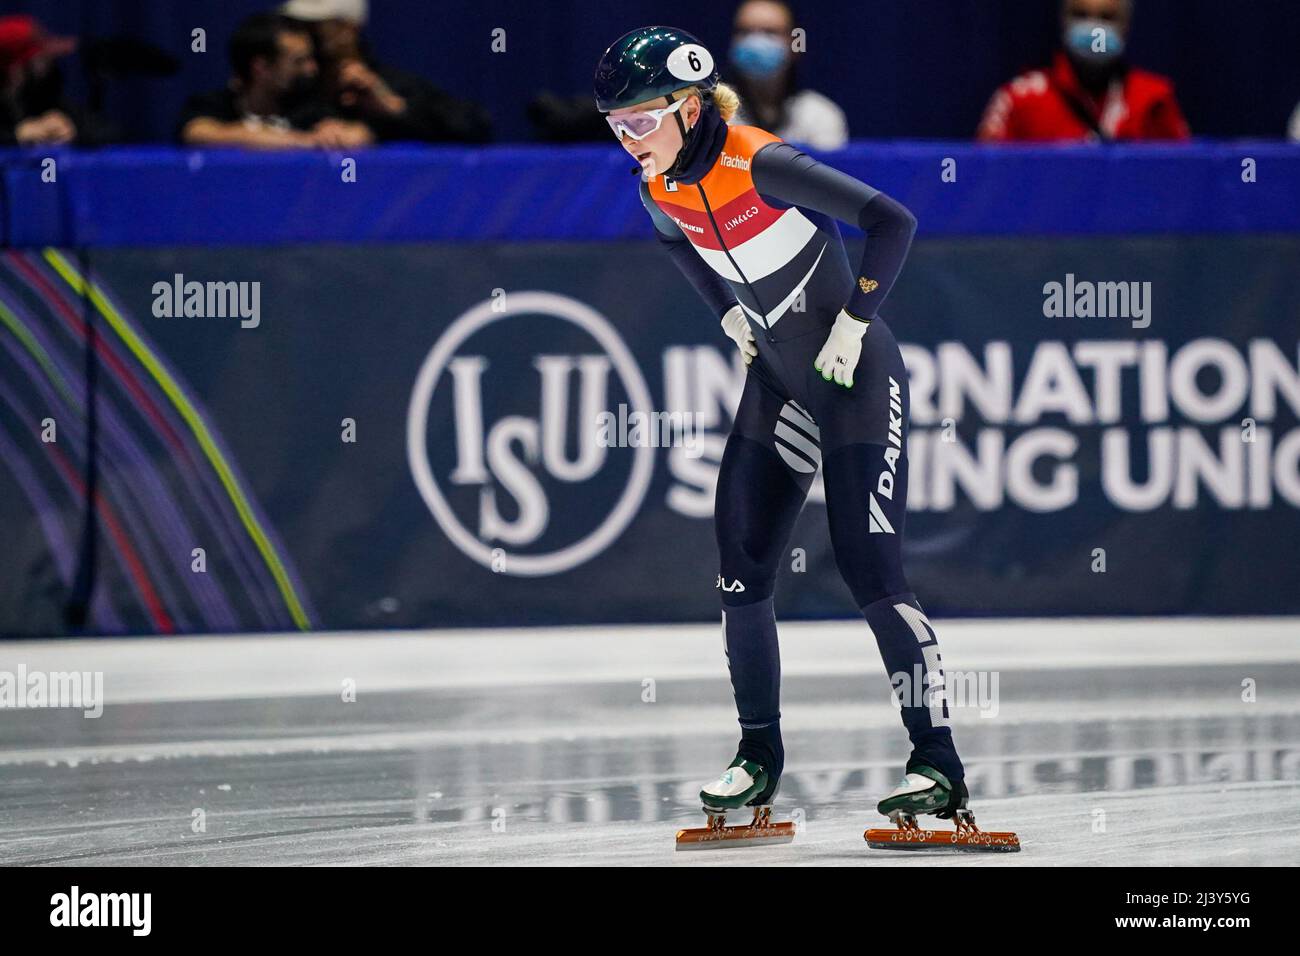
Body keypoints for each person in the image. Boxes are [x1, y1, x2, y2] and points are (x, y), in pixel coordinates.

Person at [595, 26, 968, 836]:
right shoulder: (656, 189)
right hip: (779, 385)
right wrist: (727, 312)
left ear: (691, 108)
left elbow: (892, 221)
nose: (629, 142)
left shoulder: (759, 160)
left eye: (639, 123)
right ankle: (758, 754)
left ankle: (937, 761)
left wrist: (855, 322)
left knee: (871, 569)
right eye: (615, 127)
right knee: (741, 567)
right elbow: (681, 250)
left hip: (853, 379)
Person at [279, 0, 491, 143]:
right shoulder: (288, 86)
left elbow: (474, 128)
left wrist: (392, 110)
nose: (305, 33)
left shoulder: (394, 85)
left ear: (349, 29)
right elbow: (255, 124)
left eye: (316, 25)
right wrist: (307, 137)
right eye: (299, 24)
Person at [978, 0, 1189, 143]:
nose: (1094, 30)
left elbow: (1182, 184)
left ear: (1125, 25)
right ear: (1063, 20)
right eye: (1081, 15)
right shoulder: (1019, 99)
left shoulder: (1155, 100)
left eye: (1106, 18)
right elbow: (986, 183)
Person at [178, 13, 371, 149]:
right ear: (261, 68)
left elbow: (359, 134)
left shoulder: (308, 109)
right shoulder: (212, 105)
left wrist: (335, 135)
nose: (311, 69)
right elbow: (198, 132)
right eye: (299, 61)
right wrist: (304, 141)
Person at [726, 0, 847, 149]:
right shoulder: (712, 113)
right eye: (745, 32)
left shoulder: (820, 117)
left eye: (770, 32)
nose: (755, 41)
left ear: (796, 43)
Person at [0, 14, 110, 146]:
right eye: (42, 58)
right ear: (15, 69)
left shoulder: (43, 98)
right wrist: (16, 135)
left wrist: (74, 130)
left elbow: (108, 131)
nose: (51, 63)